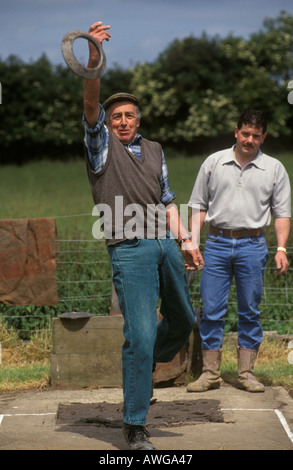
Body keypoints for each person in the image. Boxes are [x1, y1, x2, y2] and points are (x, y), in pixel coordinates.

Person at [83, 21, 203, 450]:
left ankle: (140, 368)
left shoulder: (154, 150)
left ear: (139, 119)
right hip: (129, 248)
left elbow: (168, 200)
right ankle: (134, 424)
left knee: (184, 320)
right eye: (115, 116)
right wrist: (95, 57)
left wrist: (187, 239)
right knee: (140, 332)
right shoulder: (101, 147)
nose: (121, 120)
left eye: (129, 114)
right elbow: (91, 107)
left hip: (164, 244)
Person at [187, 109, 291, 394]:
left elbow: (282, 214)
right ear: (236, 131)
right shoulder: (214, 162)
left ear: (264, 137)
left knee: (250, 310)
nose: (250, 140)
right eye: (245, 134)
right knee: (211, 309)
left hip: (253, 245)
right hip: (217, 244)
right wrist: (191, 243)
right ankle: (210, 373)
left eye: (256, 136)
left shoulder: (274, 169)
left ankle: (246, 373)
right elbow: (198, 205)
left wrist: (281, 248)